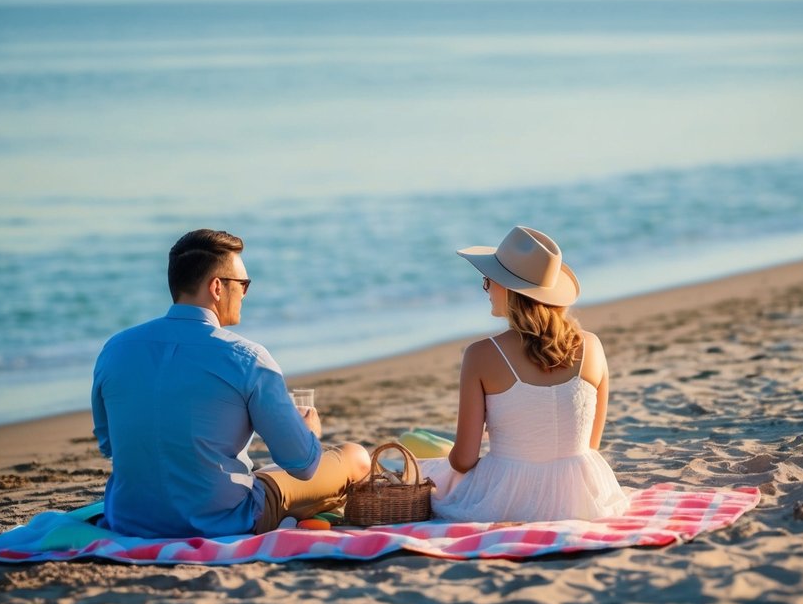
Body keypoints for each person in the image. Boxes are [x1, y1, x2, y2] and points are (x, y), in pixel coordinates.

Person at [91, 229, 370, 537]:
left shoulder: (115, 349)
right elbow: (302, 466)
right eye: (243, 284)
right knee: (355, 457)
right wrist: (309, 431)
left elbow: (109, 445)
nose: (245, 293)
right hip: (221, 520)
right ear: (217, 288)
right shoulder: (247, 358)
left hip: (130, 519)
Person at [419, 226, 630, 522]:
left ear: (508, 288)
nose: (486, 289)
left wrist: (450, 460)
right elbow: (591, 445)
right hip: (582, 496)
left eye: (488, 281)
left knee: (425, 468)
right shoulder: (592, 347)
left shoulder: (481, 355)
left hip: (507, 497)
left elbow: (464, 460)